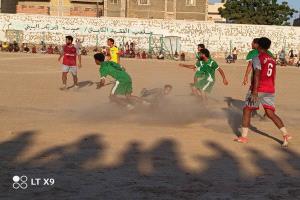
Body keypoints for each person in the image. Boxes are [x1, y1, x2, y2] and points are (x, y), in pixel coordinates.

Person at [234, 37, 292, 147]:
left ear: (258, 45)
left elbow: (257, 74)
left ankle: (244, 137)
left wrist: (254, 91)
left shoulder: (257, 57)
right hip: (270, 89)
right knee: (270, 113)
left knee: (247, 110)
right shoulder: (271, 59)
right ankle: (285, 134)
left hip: (259, 89)